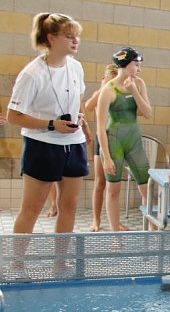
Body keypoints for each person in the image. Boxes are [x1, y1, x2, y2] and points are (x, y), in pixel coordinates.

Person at [7, 13, 88, 237]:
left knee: (69, 207)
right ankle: (17, 258)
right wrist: (52, 124)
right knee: (31, 209)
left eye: (77, 36)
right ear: (51, 38)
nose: (76, 41)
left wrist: (79, 116)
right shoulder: (33, 74)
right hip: (42, 145)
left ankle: (60, 257)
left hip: (74, 144)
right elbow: (14, 116)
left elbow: (78, 97)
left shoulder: (76, 67)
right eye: (69, 36)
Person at [96, 47, 153, 232]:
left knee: (147, 188)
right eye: (136, 65)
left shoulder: (139, 84)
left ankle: (153, 232)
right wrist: (106, 157)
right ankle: (116, 236)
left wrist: (134, 91)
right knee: (113, 190)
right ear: (126, 65)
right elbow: (100, 127)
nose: (139, 69)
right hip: (114, 144)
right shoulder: (108, 90)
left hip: (134, 142)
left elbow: (148, 113)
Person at [83, 63, 119, 231]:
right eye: (111, 80)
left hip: (117, 140)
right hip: (102, 139)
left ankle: (115, 222)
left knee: (114, 184)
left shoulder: (121, 93)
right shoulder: (101, 92)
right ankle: (96, 220)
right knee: (100, 182)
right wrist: (103, 88)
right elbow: (88, 106)